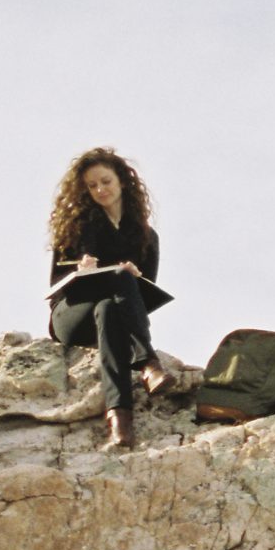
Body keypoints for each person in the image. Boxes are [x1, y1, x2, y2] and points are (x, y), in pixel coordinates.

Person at [47, 148, 171, 450]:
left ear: (122, 183)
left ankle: (120, 421)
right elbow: (56, 288)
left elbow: (143, 297)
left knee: (110, 306)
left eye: (106, 182)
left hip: (114, 313)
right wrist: (82, 271)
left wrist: (136, 276)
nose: (100, 190)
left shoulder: (146, 236)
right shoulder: (77, 228)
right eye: (92, 186)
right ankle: (147, 363)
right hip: (71, 314)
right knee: (117, 281)